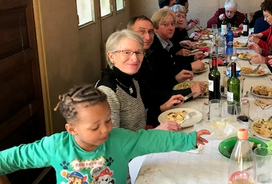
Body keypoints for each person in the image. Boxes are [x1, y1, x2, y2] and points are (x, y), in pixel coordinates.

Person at [0, 85, 210, 184]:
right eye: (95, 127)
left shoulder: (118, 139)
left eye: (108, 120)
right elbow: (14, 158)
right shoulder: (55, 146)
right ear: (71, 129)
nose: (106, 129)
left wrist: (188, 139)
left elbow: (149, 140)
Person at [96, 29, 183, 131]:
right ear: (111, 56)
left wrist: (163, 107)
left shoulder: (133, 81)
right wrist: (155, 133)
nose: (134, 58)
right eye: (126, 52)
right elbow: (113, 140)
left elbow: (138, 120)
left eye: (138, 52)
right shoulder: (107, 92)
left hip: (144, 140)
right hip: (137, 145)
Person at [127, 15, 206, 126]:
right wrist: (190, 92)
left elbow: (157, 85)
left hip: (154, 112)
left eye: (150, 32)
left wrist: (174, 79)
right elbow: (151, 97)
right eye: (141, 31)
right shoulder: (132, 65)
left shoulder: (148, 54)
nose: (148, 37)